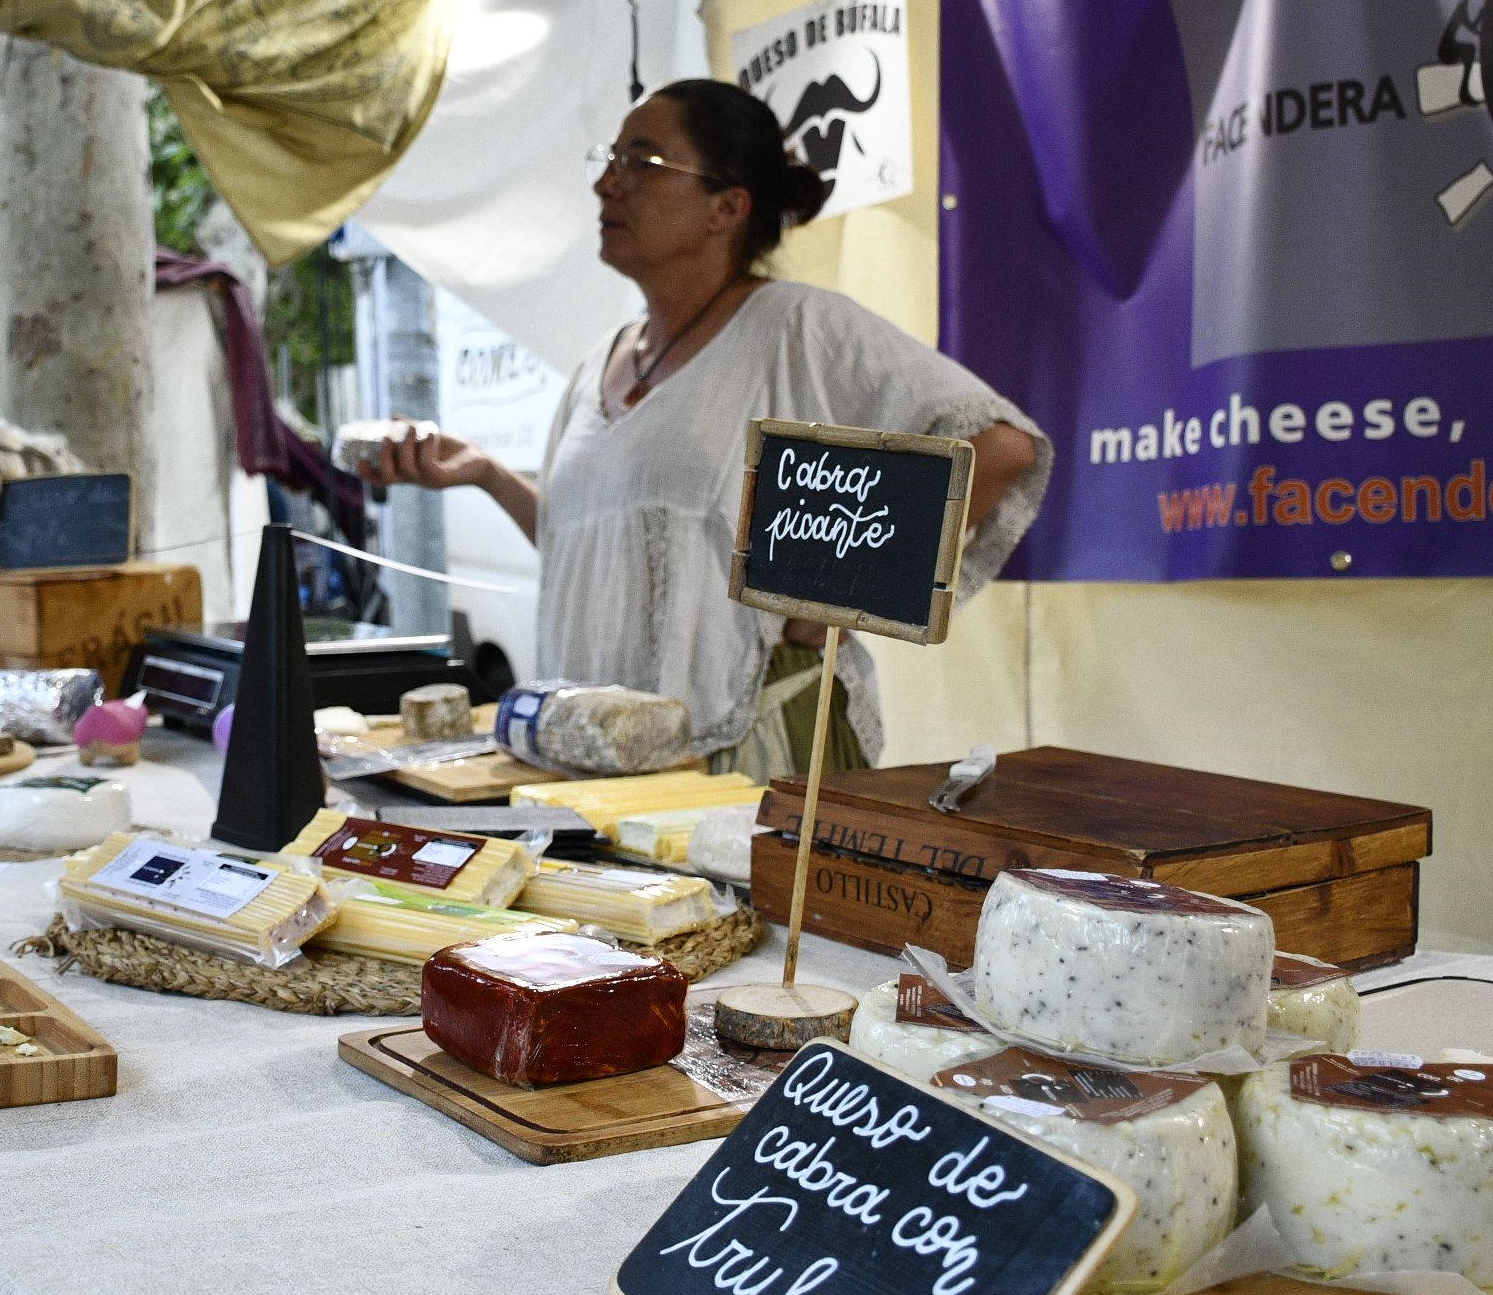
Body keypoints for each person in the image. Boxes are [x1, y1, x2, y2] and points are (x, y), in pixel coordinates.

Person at [358, 79, 1049, 778]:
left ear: (728, 207)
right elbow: (594, 557)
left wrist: (840, 604)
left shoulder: (794, 326)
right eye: (610, 159)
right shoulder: (598, 363)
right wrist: (485, 473)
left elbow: (999, 446)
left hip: (744, 751)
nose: (607, 184)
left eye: (642, 163)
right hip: (599, 761)